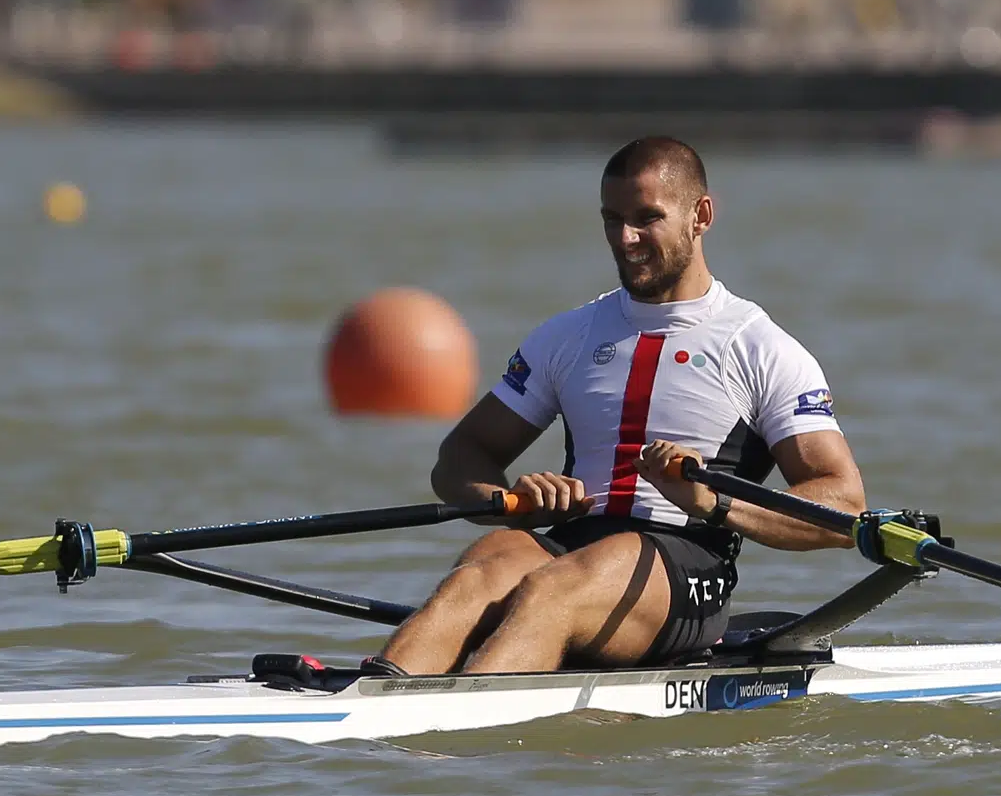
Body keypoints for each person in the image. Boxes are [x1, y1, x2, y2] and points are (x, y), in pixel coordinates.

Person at [372, 136, 870, 676]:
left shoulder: (762, 349)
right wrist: (513, 502)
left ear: (700, 216)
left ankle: (467, 711)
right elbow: (459, 458)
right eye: (613, 220)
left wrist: (714, 502)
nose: (625, 239)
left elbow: (843, 507)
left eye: (646, 219)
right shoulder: (567, 336)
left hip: (685, 567)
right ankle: (370, 704)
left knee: (554, 588)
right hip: (570, 548)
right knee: (480, 570)